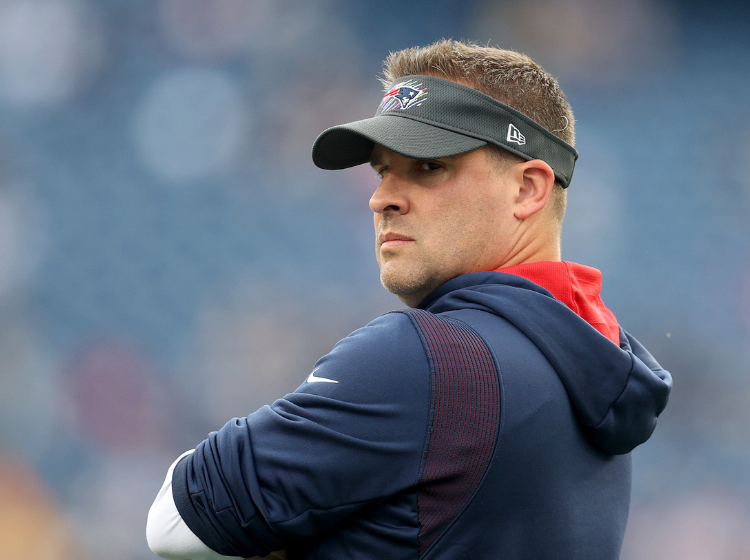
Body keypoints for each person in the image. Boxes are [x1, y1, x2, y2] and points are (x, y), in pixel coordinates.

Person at [146, 40, 672, 560]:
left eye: (429, 167)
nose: (380, 198)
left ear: (528, 189)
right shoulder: (596, 366)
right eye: (382, 170)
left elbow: (174, 522)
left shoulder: (428, 359)